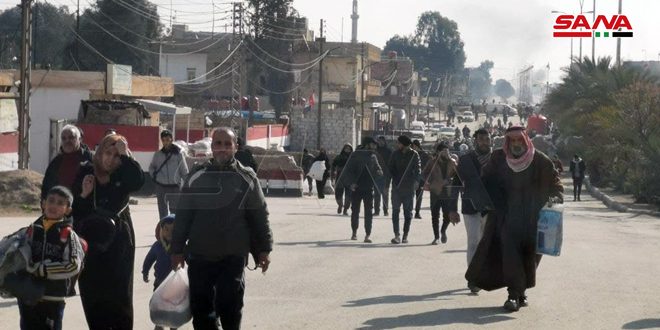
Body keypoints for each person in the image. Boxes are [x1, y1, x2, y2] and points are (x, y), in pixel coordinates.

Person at [170, 127, 273, 330]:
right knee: (202, 314)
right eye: (218, 144)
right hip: (200, 257)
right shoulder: (196, 176)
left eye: (228, 144)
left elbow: (260, 215)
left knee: (231, 310)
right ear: (212, 147)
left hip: (232, 257)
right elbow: (183, 216)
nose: (222, 149)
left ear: (236, 147)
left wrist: (264, 249)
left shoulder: (247, 178)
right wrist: (176, 250)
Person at [465, 126, 563, 312]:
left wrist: (555, 198)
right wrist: (480, 197)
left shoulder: (540, 160)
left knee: (530, 258)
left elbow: (555, 184)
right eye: (513, 141)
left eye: (520, 140)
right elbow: (484, 181)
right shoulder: (498, 159)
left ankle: (521, 291)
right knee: (510, 255)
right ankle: (513, 295)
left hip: (534, 219)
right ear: (507, 142)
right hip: (507, 218)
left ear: (526, 140)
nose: (516, 144)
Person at [72, 134, 145, 329]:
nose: (111, 159)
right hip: (90, 241)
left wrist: (126, 155)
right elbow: (74, 210)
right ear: (100, 152)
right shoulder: (86, 171)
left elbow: (138, 181)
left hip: (119, 240)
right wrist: (83, 195)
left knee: (120, 295)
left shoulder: (123, 173)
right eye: (107, 152)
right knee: (93, 294)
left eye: (116, 155)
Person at [18, 186, 85, 330]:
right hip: (28, 297)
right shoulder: (32, 229)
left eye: (60, 203)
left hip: (52, 299)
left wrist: (42, 270)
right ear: (43, 203)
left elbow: (73, 265)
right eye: (51, 200)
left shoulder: (68, 235)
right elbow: (21, 254)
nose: (54, 205)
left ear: (68, 210)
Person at [452, 128, 493, 293]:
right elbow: (455, 184)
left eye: (487, 139)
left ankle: (485, 274)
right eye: (481, 139)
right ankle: (473, 278)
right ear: (476, 140)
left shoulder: (497, 159)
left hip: (491, 207)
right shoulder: (466, 159)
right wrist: (452, 209)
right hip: (471, 207)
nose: (484, 142)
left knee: (487, 243)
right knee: (473, 242)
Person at [342, 137, 382, 243]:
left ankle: (367, 234)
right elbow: (348, 171)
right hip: (356, 188)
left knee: (368, 212)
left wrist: (379, 172)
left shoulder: (373, 156)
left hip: (369, 188)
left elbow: (378, 168)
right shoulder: (355, 155)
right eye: (373, 144)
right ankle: (354, 232)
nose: (375, 147)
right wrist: (351, 183)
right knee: (355, 211)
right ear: (367, 144)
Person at [143, 214, 177, 330]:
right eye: (166, 229)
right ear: (161, 230)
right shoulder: (157, 246)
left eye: (173, 230)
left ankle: (173, 326)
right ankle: (159, 324)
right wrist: (145, 271)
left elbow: (190, 260)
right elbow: (149, 259)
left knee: (174, 307)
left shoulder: (180, 247)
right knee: (159, 305)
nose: (169, 233)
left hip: (175, 284)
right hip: (159, 282)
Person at [41, 125, 93, 200]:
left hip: (83, 206)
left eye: (71, 137)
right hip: (59, 207)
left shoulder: (90, 159)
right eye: (64, 138)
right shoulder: (56, 162)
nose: (67, 141)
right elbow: (46, 186)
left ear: (80, 139)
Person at [422, 142, 460, 245]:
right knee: (435, 215)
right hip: (435, 191)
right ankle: (436, 237)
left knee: (447, 216)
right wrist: (428, 181)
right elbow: (424, 173)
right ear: (438, 152)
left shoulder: (452, 162)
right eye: (443, 151)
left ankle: (443, 231)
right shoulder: (432, 162)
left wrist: (450, 180)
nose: (446, 152)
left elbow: (458, 175)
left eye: (447, 150)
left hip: (447, 192)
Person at [388, 135, 421, 244]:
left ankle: (405, 235)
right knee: (395, 211)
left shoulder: (414, 155)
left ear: (404, 144)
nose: (398, 145)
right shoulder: (394, 154)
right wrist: (393, 178)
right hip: (397, 187)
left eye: (399, 143)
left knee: (408, 213)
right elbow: (390, 168)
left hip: (408, 188)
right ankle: (397, 235)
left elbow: (418, 170)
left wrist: (416, 181)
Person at [149, 130, 189, 219]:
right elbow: (152, 167)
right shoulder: (158, 154)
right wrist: (155, 178)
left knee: (174, 212)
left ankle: (174, 231)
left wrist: (187, 185)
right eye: (163, 140)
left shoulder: (178, 154)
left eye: (167, 139)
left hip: (175, 187)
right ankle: (163, 230)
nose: (165, 142)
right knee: (162, 212)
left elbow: (184, 170)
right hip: (161, 187)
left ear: (171, 139)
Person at [332, 144, 354, 215]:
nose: (347, 150)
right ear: (343, 149)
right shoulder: (339, 157)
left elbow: (356, 167)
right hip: (340, 178)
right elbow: (333, 166)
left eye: (349, 149)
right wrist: (333, 173)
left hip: (349, 179)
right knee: (338, 194)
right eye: (346, 148)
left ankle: (345, 209)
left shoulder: (353, 158)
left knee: (349, 196)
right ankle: (340, 205)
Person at [374, 136, 392, 216]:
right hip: (376, 175)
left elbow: (391, 164)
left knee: (385, 193)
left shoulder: (389, 151)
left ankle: (385, 210)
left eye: (382, 141)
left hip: (386, 175)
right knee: (377, 194)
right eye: (379, 141)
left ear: (385, 142)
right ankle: (376, 210)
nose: (380, 142)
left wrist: (389, 174)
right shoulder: (375, 151)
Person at [411, 140, 429, 219]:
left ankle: (417, 212)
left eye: (414, 146)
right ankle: (409, 211)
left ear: (417, 146)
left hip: (421, 178)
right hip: (411, 177)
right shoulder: (411, 154)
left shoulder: (424, 155)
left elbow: (427, 166)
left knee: (419, 196)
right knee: (410, 196)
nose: (413, 148)